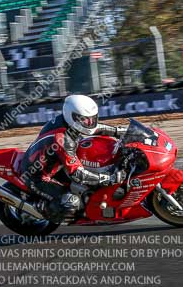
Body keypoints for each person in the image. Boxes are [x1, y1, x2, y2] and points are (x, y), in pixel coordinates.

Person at [19, 94, 127, 222]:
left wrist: (120, 131)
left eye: (92, 119)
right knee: (71, 202)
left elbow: (94, 128)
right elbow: (77, 174)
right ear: (73, 117)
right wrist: (108, 178)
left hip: (54, 163)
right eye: (86, 120)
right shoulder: (63, 140)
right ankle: (42, 209)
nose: (90, 123)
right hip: (37, 176)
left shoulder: (66, 121)